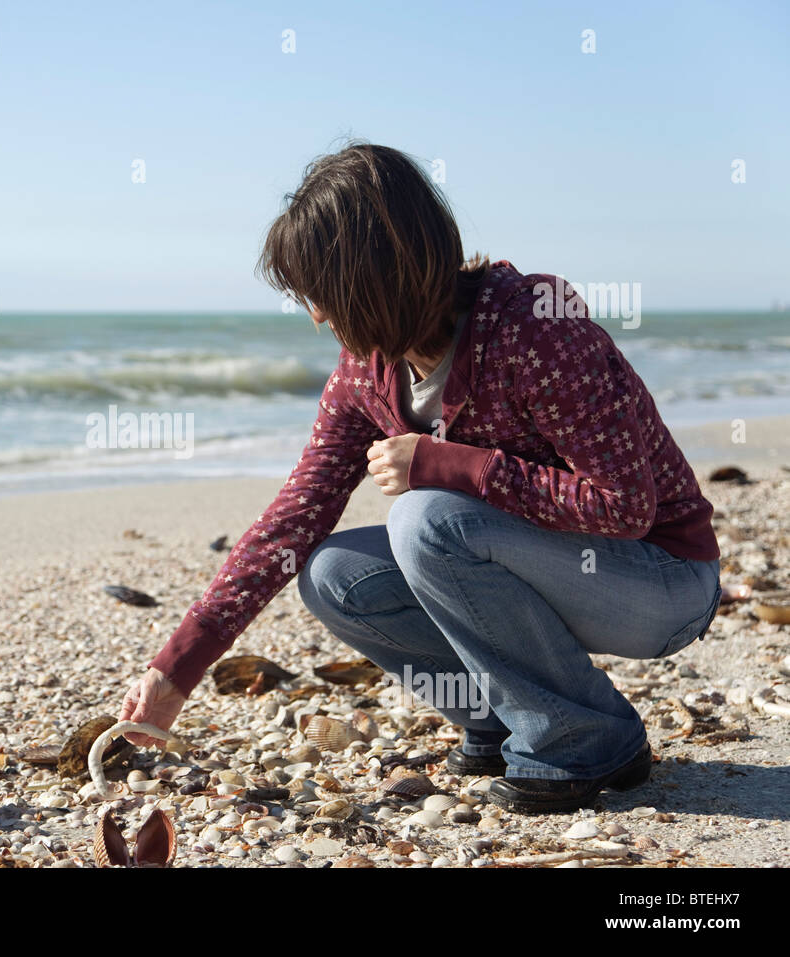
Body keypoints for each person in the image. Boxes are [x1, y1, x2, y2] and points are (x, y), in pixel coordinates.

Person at [118, 141, 722, 814]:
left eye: (321, 291)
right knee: (330, 571)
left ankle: (586, 736)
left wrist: (442, 463)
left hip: (661, 581)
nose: (316, 315)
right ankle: (501, 713)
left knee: (424, 519)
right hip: (551, 571)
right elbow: (293, 517)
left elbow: (623, 507)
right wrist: (178, 667)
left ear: (372, 278)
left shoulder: (536, 326)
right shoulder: (364, 373)